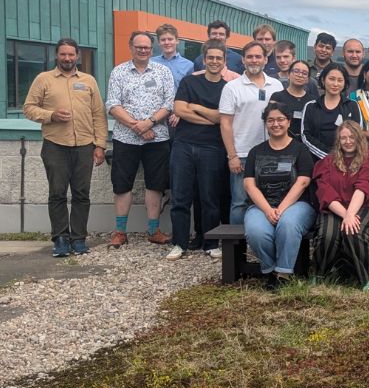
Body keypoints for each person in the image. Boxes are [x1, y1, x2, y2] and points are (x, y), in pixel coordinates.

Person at [23, 37, 108, 257]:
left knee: (82, 194)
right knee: (57, 193)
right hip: (55, 146)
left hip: (84, 146)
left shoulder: (88, 81)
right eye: (63, 54)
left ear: (77, 56)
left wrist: (100, 145)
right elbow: (29, 108)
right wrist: (50, 115)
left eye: (71, 54)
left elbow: (98, 114)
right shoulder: (44, 79)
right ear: (57, 55)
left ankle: (79, 238)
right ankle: (60, 238)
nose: (67, 58)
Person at [105, 31, 175, 248]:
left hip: (157, 138)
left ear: (151, 49)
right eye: (139, 47)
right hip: (126, 138)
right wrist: (138, 126)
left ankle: (153, 230)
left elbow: (170, 103)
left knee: (155, 184)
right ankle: (120, 231)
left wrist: (150, 122)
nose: (143, 50)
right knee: (122, 184)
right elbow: (112, 105)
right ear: (131, 47)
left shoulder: (163, 72)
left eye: (146, 47)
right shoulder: (119, 72)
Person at [165, 39, 228, 260]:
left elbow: (222, 117)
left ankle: (211, 243)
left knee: (210, 198)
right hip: (183, 145)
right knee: (180, 197)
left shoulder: (227, 88)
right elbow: (179, 109)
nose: (214, 61)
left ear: (224, 61)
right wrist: (210, 118)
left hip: (213, 148)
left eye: (218, 58)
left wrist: (197, 107)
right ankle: (179, 243)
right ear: (203, 59)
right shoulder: (189, 82)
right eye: (210, 57)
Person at [243, 102, 316, 287]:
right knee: (256, 231)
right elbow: (249, 185)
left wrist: (281, 209)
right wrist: (268, 210)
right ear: (266, 124)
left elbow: (303, 181)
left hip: (297, 205)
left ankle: (283, 274)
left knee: (288, 224)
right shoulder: (255, 152)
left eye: (280, 119)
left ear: (289, 122)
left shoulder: (300, 150)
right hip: (262, 205)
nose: (276, 124)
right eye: (271, 120)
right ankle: (270, 269)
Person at [312, 120, 369, 291]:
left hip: (365, 207)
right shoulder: (327, 162)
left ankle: (366, 279)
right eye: (343, 138)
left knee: (353, 231)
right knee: (327, 235)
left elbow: (363, 187)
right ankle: (320, 275)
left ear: (359, 138)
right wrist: (346, 215)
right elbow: (326, 192)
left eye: (352, 137)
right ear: (338, 141)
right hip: (334, 208)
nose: (348, 141)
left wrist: (351, 215)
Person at [219, 41, 285, 225]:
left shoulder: (276, 86)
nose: (254, 60)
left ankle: (262, 238)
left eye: (258, 56)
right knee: (240, 202)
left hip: (271, 154)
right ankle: (238, 248)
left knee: (271, 199)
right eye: (250, 56)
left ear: (265, 59)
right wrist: (232, 155)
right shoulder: (232, 87)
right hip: (242, 154)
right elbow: (225, 123)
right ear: (243, 60)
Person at [301, 62, 363, 161]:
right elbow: (306, 136)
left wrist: (342, 157)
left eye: (340, 80)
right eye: (331, 79)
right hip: (317, 161)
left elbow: (358, 133)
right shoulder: (311, 106)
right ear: (323, 80)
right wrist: (329, 157)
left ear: (345, 83)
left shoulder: (352, 105)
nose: (335, 84)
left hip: (347, 160)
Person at [270, 59, 318, 140]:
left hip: (306, 145)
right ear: (289, 74)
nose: (300, 75)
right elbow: (270, 122)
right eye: (296, 71)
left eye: (304, 73)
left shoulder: (313, 101)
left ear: (308, 79)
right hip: (281, 142)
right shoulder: (277, 97)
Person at [151, 23, 193, 92]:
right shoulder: (151, 62)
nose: (166, 42)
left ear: (177, 41)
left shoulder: (189, 65)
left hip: (177, 102)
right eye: (163, 40)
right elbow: (146, 85)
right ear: (158, 42)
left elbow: (190, 89)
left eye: (170, 39)